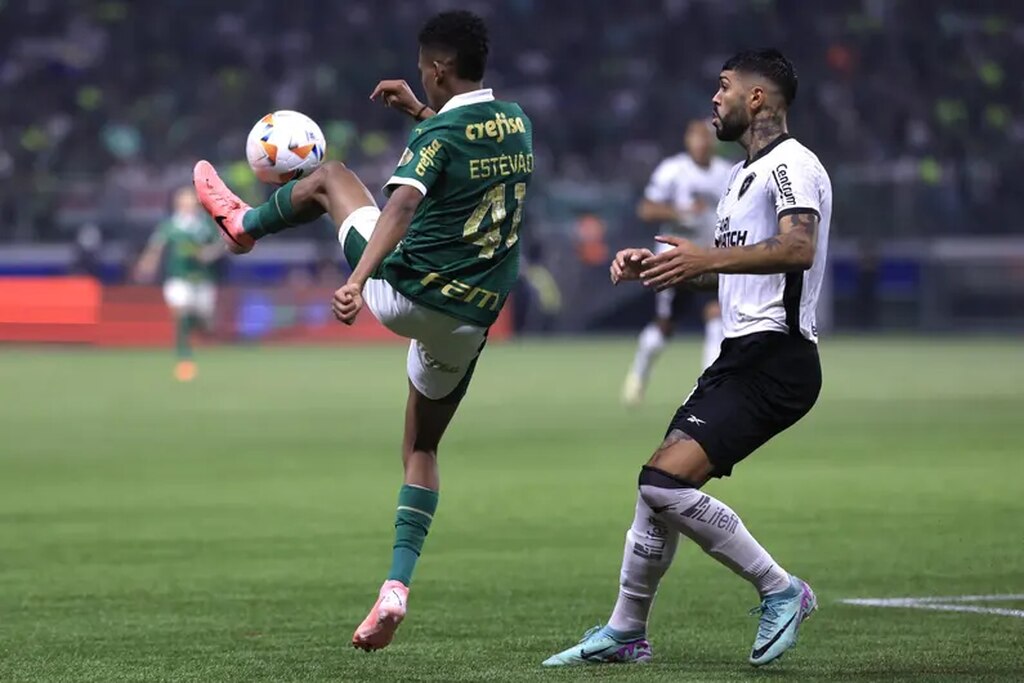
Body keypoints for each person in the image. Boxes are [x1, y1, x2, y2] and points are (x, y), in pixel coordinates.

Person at [192, 10, 533, 652]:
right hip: (471, 318)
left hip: (405, 290)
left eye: (423, 71)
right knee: (423, 448)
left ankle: (242, 226)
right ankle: (396, 585)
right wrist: (417, 114)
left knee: (329, 177)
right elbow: (461, 147)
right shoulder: (517, 122)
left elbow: (402, 204)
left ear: (436, 68)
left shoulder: (439, 133)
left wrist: (357, 281)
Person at [543, 48, 831, 668]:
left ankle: (781, 589)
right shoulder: (740, 177)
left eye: (724, 87)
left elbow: (798, 247)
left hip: (776, 357)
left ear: (757, 97)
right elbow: (731, 277)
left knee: (662, 482)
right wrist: (669, 268)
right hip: (740, 355)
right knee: (656, 487)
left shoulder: (792, 165)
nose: (714, 99)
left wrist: (704, 258)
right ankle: (627, 631)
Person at [622, 120, 732, 406]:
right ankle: (638, 375)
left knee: (715, 315)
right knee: (665, 326)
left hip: (708, 258)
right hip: (672, 260)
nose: (702, 143)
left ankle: (710, 388)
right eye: (696, 137)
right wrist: (681, 212)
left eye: (706, 137)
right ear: (687, 140)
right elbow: (646, 208)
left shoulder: (726, 173)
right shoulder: (673, 170)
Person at [135, 186, 222, 381]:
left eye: (190, 200)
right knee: (180, 313)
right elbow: (156, 247)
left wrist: (207, 255)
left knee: (205, 321)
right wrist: (146, 264)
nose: (187, 204)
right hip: (177, 278)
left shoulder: (206, 225)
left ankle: (197, 327)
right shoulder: (169, 225)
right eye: (183, 201)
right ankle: (185, 359)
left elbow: (220, 244)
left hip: (202, 280)